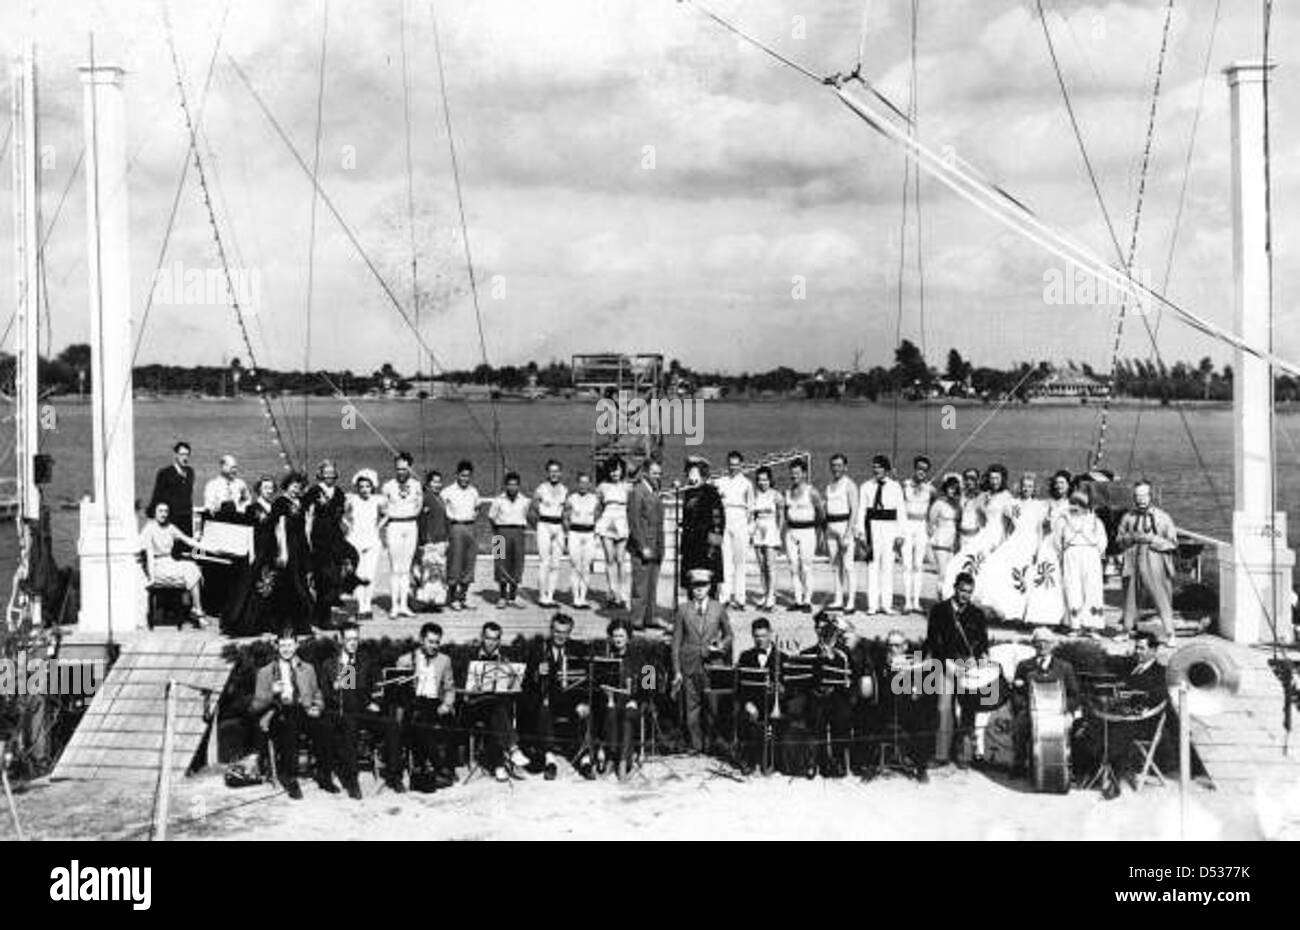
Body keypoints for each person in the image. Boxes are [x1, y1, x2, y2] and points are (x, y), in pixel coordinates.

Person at [319, 621, 396, 799]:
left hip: (365, 710)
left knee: (392, 725)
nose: (353, 643)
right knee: (349, 727)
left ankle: (394, 774)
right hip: (343, 712)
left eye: (356, 639)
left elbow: (377, 685)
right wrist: (335, 687)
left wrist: (376, 702)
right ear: (340, 639)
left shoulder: (366, 661)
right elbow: (324, 693)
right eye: (349, 639)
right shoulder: (330, 664)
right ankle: (352, 780)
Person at [250, 632, 330, 800]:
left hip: (304, 710)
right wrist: (271, 692)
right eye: (283, 646)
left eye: (290, 645)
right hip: (279, 713)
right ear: (277, 647)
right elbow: (255, 706)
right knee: (289, 725)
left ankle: (324, 776)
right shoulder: (266, 672)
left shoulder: (307, 668)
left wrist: (317, 706)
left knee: (323, 726)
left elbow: (316, 693)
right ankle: (291, 778)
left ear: (296, 645)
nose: (286, 649)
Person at [924, 572, 990, 767]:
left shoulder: (977, 614)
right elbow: (933, 642)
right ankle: (941, 755)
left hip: (968, 667)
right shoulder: (939, 610)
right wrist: (946, 662)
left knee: (968, 710)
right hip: (946, 665)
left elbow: (982, 642)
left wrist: (980, 657)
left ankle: (964, 754)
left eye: (969, 592)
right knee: (944, 709)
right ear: (955, 588)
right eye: (962, 590)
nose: (965, 596)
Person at [521, 612, 591, 779]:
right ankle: (549, 758)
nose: (560, 636)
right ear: (551, 630)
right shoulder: (538, 649)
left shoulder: (578, 649)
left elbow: (586, 680)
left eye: (565, 632)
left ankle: (586, 758)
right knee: (544, 707)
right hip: (547, 697)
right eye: (557, 632)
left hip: (571, 698)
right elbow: (525, 680)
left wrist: (582, 701)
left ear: (570, 632)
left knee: (587, 709)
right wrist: (536, 672)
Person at [671, 568, 734, 752]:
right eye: (695, 586)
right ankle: (696, 745)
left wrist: (722, 645)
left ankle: (711, 744)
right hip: (689, 665)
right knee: (691, 710)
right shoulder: (683, 610)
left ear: (709, 587)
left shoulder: (718, 608)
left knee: (712, 708)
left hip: (712, 665)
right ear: (690, 587)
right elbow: (676, 643)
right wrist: (676, 670)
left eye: (703, 585)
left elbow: (729, 634)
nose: (699, 589)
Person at [463, 621, 531, 782]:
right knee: (497, 709)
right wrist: (472, 688)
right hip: (474, 705)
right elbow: (461, 685)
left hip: (496, 707)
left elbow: (514, 687)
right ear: (482, 637)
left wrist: (511, 681)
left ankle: (499, 764)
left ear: (499, 640)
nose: (491, 642)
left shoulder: (506, 658)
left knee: (497, 709)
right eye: (487, 638)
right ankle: (513, 749)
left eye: (495, 639)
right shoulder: (469, 656)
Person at [1010, 627, 1080, 778]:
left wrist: (1062, 708)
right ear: (1033, 645)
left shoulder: (1064, 667)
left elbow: (1075, 695)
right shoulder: (1024, 666)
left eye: (1046, 642)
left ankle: (1066, 768)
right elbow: (1016, 693)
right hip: (1032, 711)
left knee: (1069, 727)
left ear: (1052, 645)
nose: (1042, 646)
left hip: (1058, 712)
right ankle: (1020, 765)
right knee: (1020, 725)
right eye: (1038, 642)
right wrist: (1024, 707)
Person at [395, 622, 457, 791]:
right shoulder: (406, 660)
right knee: (419, 720)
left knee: (423, 720)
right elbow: (396, 689)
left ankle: (424, 769)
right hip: (414, 703)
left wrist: (447, 704)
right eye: (430, 642)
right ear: (422, 640)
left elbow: (450, 688)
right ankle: (439, 768)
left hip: (435, 703)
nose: (434, 646)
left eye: (437, 642)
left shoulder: (445, 660)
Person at [1116, 480, 1179, 642]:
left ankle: (1170, 633)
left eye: (1144, 495)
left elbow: (1172, 542)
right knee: (1130, 594)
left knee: (1161, 595)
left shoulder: (1162, 517)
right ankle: (1126, 629)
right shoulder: (1128, 517)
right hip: (1133, 558)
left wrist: (1152, 539)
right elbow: (1119, 539)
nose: (1141, 499)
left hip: (1154, 558)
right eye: (1137, 496)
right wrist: (1131, 538)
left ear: (1151, 496)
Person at [796, 614, 853, 778]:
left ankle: (838, 759)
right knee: (814, 715)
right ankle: (816, 760)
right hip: (815, 696)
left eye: (825, 629)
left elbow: (851, 679)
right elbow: (801, 680)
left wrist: (833, 660)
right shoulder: (809, 653)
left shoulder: (844, 653)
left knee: (842, 716)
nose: (822, 632)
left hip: (837, 696)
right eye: (819, 629)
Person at [222, 476, 278, 636]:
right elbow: (249, 531)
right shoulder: (252, 508)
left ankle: (267, 622)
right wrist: (252, 553)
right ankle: (250, 623)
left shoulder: (274, 507)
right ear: (259, 489)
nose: (269, 491)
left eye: (271, 488)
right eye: (265, 488)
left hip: (271, 550)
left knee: (269, 586)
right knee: (254, 587)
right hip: (258, 551)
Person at [875, 629, 934, 782]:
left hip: (910, 708)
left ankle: (921, 767)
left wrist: (918, 690)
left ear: (905, 646)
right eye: (890, 645)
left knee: (924, 719)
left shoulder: (913, 660)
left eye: (897, 645)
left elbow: (924, 680)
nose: (893, 649)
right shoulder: (883, 662)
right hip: (886, 707)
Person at [138, 501, 210, 625]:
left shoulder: (170, 527)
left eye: (166, 511)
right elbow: (149, 555)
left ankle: (197, 608)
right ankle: (198, 611)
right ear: (154, 513)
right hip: (157, 565)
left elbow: (187, 540)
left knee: (192, 567)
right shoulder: (149, 528)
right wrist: (151, 578)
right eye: (160, 511)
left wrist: (206, 547)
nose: (164, 514)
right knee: (190, 570)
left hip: (170, 562)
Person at [305, 459, 354, 629]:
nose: (330, 477)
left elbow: (342, 515)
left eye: (332, 474)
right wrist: (308, 540)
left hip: (336, 539)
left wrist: (347, 529)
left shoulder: (339, 492)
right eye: (326, 474)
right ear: (320, 475)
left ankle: (324, 616)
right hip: (319, 539)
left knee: (335, 579)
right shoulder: (314, 491)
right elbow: (309, 517)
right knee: (323, 579)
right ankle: (321, 618)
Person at [268, 472, 315, 636]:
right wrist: (283, 551)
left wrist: (308, 547)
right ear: (287, 485)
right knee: (292, 585)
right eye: (294, 486)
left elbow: (306, 526)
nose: (296, 489)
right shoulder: (280, 502)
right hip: (289, 545)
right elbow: (279, 528)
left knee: (302, 581)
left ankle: (301, 624)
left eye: (299, 487)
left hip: (301, 546)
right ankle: (285, 624)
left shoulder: (301, 502)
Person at [858, 454, 904, 615]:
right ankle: (872, 605)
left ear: (886, 469)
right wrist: (861, 533)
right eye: (874, 467)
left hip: (890, 528)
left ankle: (886, 604)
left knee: (888, 566)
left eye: (880, 467)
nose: (876, 470)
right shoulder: (865, 487)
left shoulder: (895, 487)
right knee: (872, 566)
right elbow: (861, 511)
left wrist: (900, 534)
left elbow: (901, 511)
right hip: (872, 527)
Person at [1057, 487, 1108, 632]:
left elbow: (1102, 540)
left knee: (1092, 589)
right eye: (1073, 503)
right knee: (1073, 588)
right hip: (1071, 554)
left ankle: (1093, 625)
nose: (1076, 507)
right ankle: (1075, 625)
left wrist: (1096, 554)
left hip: (1090, 555)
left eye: (1080, 504)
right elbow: (1057, 539)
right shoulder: (1064, 519)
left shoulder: (1094, 521)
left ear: (1086, 506)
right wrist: (1063, 552)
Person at [595, 618, 641, 777]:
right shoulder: (606, 657)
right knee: (611, 712)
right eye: (615, 636)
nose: (618, 640)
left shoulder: (641, 658)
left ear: (628, 637)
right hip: (611, 701)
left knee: (627, 715)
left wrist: (637, 700)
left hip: (632, 703)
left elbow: (651, 686)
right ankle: (611, 758)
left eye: (621, 636)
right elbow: (597, 682)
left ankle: (623, 760)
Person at [627, 459, 667, 631]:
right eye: (654, 473)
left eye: (659, 473)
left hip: (656, 544)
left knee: (652, 583)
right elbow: (634, 521)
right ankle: (637, 619)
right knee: (640, 584)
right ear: (644, 473)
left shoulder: (654, 490)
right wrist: (642, 545)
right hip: (643, 545)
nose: (657, 476)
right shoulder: (638, 491)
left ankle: (650, 617)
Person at [736, 617, 779, 775]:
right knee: (746, 718)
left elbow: (790, 688)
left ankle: (771, 760)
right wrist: (747, 704)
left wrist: (779, 689)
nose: (760, 640)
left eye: (763, 636)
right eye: (756, 636)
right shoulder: (745, 657)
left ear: (770, 634)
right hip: (753, 703)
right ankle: (749, 760)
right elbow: (739, 687)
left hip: (773, 703)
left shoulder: (782, 657)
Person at [382, 452, 423, 618]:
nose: (401, 472)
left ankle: (404, 605)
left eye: (405, 469)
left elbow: (419, 507)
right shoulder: (388, 486)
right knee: (395, 568)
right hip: (394, 526)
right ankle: (394, 606)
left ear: (410, 468)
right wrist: (395, 514)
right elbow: (384, 509)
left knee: (406, 568)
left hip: (411, 525)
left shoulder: (416, 485)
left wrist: (409, 514)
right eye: (398, 469)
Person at [344, 469, 386, 618]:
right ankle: (361, 607)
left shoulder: (378, 500)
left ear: (372, 486)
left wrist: (379, 527)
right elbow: (340, 513)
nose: (364, 489)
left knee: (370, 574)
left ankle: (368, 605)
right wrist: (348, 526)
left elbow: (387, 513)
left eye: (367, 486)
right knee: (359, 574)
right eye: (361, 486)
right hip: (355, 540)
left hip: (372, 540)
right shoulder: (352, 500)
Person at [680, 457, 725, 595]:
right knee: (691, 583)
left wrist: (713, 549)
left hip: (706, 546)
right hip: (690, 546)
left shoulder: (712, 493)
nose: (692, 479)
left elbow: (718, 522)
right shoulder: (688, 493)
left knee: (708, 585)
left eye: (695, 475)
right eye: (690, 475)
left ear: (703, 476)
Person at [442, 460, 482, 611]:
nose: (465, 479)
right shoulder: (448, 491)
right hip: (455, 527)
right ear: (457, 475)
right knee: (455, 563)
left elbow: (478, 508)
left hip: (470, 527)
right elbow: (442, 511)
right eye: (463, 475)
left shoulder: (473, 491)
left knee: (469, 563)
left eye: (468, 476)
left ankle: (463, 597)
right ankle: (452, 597)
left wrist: (473, 518)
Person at [783, 458, 823, 613]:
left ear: (804, 474)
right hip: (791, 532)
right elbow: (786, 513)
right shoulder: (787, 492)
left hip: (807, 531)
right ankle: (797, 599)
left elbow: (820, 513)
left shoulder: (811, 492)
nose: (794, 476)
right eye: (792, 473)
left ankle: (807, 600)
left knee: (806, 567)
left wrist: (819, 533)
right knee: (793, 566)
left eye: (797, 473)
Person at [715, 451, 754, 610]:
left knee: (740, 562)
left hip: (741, 521)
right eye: (731, 464)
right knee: (725, 561)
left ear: (741, 465)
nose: (733, 467)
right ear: (727, 464)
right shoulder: (720, 481)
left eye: (736, 465)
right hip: (725, 520)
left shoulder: (747, 484)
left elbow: (751, 508)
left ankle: (740, 599)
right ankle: (724, 597)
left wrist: (750, 530)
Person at [824, 453, 859, 613]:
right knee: (836, 566)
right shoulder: (829, 486)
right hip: (831, 528)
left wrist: (847, 533)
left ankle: (850, 601)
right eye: (834, 465)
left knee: (848, 567)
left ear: (845, 467)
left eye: (839, 465)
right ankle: (838, 599)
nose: (836, 468)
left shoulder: (849, 485)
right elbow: (826, 510)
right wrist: (824, 530)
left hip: (845, 527)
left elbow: (854, 511)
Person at [488, 471, 529, 608]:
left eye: (515, 485)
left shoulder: (524, 501)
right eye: (509, 485)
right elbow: (491, 517)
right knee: (500, 563)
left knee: (516, 563)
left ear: (519, 486)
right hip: (500, 532)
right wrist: (498, 532)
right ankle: (502, 596)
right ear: (505, 486)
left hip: (518, 532)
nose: (512, 488)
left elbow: (528, 517)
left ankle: (513, 596)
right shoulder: (498, 500)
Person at [595, 457, 631, 609]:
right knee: (609, 559)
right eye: (611, 470)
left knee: (621, 559)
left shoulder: (627, 487)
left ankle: (623, 594)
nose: (614, 473)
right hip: (607, 522)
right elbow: (598, 507)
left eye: (616, 469)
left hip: (622, 521)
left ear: (622, 470)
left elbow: (631, 507)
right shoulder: (602, 487)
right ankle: (612, 593)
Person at [533, 460, 569, 608]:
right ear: (547, 472)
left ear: (560, 473)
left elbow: (566, 510)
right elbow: (534, 506)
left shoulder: (564, 490)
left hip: (558, 526)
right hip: (544, 525)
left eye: (557, 471)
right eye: (551, 471)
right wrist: (541, 517)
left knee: (555, 563)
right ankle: (542, 596)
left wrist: (566, 530)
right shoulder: (541, 489)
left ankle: (550, 595)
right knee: (544, 561)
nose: (554, 474)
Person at [749, 467, 784, 611]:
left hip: (771, 530)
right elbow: (752, 515)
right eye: (760, 480)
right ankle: (765, 593)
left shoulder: (776, 495)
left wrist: (779, 532)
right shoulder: (755, 495)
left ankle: (771, 596)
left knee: (770, 565)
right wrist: (751, 532)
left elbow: (781, 516)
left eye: (765, 479)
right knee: (762, 566)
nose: (762, 482)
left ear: (770, 480)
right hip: (758, 530)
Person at [565, 471, 600, 609]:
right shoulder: (571, 498)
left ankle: (583, 597)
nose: (583, 485)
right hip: (575, 532)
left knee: (585, 567)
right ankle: (575, 598)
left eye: (586, 482)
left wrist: (594, 532)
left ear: (590, 484)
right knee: (575, 566)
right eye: (581, 482)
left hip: (589, 533)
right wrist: (568, 534)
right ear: (577, 483)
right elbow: (566, 517)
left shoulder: (594, 499)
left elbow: (598, 516)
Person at [414, 470, 448, 611]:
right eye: (434, 482)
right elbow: (422, 521)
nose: (438, 484)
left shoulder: (440, 498)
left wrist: (446, 539)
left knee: (439, 572)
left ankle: (436, 600)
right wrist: (424, 540)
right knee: (428, 572)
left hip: (441, 540)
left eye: (439, 482)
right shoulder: (425, 498)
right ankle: (427, 601)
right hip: (429, 542)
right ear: (428, 484)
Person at [149, 441, 196, 537]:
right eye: (182, 454)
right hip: (171, 521)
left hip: (187, 520)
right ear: (175, 455)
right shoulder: (165, 473)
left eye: (187, 455)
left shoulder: (190, 472)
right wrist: (153, 516)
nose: (185, 457)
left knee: (187, 549)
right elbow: (157, 496)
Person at [927, 475, 962, 583]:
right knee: (942, 574)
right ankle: (940, 598)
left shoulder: (957, 505)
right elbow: (930, 523)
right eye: (950, 488)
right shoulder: (938, 504)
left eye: (955, 488)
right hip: (940, 541)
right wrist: (932, 540)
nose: (952, 491)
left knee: (951, 574)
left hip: (951, 543)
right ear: (946, 488)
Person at [202, 454, 251, 521]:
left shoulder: (240, 484)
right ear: (223, 467)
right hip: (219, 520)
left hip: (237, 520)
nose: (234, 470)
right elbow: (209, 506)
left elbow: (247, 499)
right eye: (231, 468)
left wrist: (241, 508)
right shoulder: (212, 485)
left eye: (235, 467)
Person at [957, 467, 985, 552]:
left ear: (977, 480)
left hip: (975, 537)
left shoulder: (983, 496)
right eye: (967, 478)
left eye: (972, 479)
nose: (969, 482)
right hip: (961, 536)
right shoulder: (961, 496)